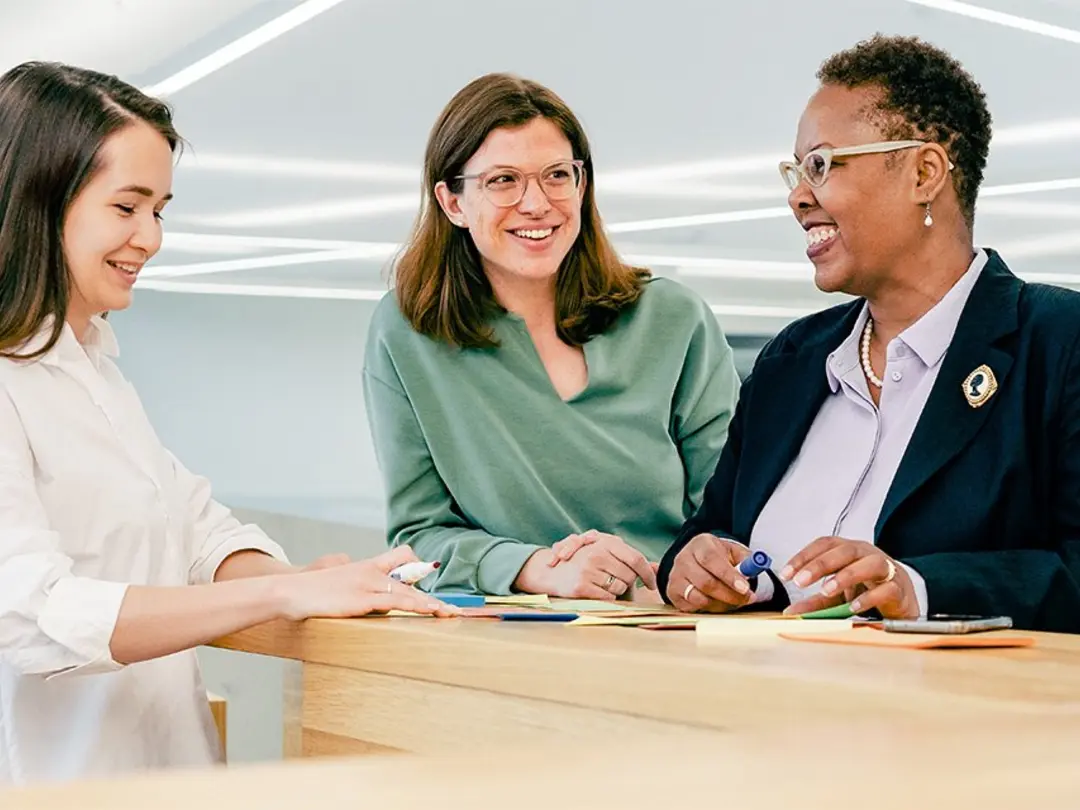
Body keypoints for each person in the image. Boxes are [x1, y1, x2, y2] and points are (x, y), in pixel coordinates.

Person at [0, 62, 457, 787]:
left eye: (160, 210)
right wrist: (279, 595)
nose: (150, 238)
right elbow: (34, 617)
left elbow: (198, 531)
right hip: (55, 784)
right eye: (127, 207)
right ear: (38, 200)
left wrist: (297, 579)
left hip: (166, 773)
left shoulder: (99, 373)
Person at [658, 34, 1080, 633]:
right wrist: (696, 564)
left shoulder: (1059, 344)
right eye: (795, 171)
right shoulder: (792, 360)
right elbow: (712, 529)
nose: (798, 197)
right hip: (760, 707)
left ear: (924, 172)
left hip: (956, 717)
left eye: (821, 165)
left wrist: (918, 588)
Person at [363, 73, 739, 600]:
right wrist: (539, 567)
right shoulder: (408, 333)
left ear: (582, 186)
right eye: (503, 181)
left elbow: (732, 509)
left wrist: (698, 573)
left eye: (557, 175)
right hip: (514, 641)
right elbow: (418, 537)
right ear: (452, 203)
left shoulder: (674, 319)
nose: (537, 203)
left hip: (672, 625)